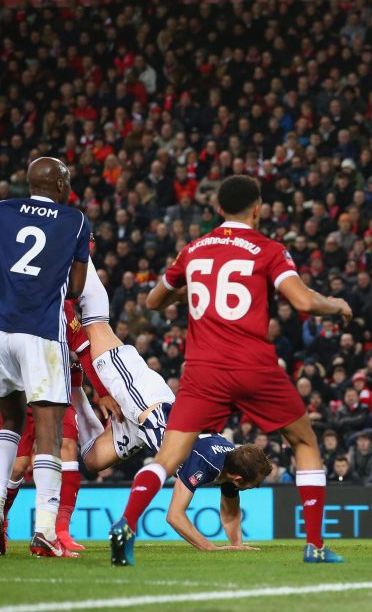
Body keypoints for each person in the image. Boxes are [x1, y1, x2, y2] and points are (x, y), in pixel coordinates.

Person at [110, 175, 352, 566]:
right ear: (257, 208)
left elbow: (154, 301)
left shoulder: (194, 250)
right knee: (305, 444)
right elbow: (304, 301)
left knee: (168, 458)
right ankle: (315, 545)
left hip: (203, 369)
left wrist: (188, 287)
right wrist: (338, 305)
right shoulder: (268, 249)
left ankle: (126, 523)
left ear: (218, 209)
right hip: (253, 365)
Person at [0, 157, 90, 558]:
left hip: (1, 329)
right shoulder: (75, 220)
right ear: (58, 185)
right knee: (50, 429)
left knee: (9, 423)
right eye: (67, 180)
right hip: (41, 331)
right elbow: (75, 287)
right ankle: (44, 531)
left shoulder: (3, 211)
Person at [167, 439, 272, 551]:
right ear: (238, 479)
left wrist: (237, 546)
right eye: (254, 485)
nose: (256, 487)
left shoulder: (234, 463)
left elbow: (230, 515)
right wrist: (209, 547)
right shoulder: (202, 464)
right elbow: (174, 516)